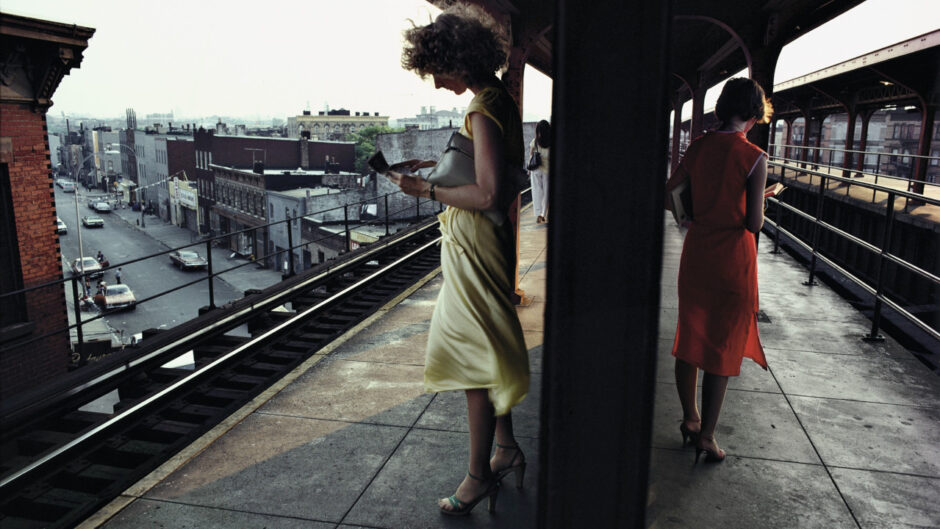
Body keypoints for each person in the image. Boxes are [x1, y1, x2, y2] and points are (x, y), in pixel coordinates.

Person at [390, 5, 529, 516]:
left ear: (454, 60)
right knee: (485, 345)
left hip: (475, 245)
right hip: (485, 244)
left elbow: (489, 193)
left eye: (434, 70)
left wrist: (424, 188)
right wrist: (442, 166)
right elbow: (492, 169)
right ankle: (506, 448)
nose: (433, 83)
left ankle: (476, 478)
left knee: (473, 356)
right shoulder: (499, 99)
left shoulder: (480, 107)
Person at [664, 78, 773, 464]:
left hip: (698, 253)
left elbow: (669, 194)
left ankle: (690, 418)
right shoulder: (755, 158)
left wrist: (693, 213)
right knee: (721, 344)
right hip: (732, 259)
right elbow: (753, 223)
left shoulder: (698, 147)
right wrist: (762, 197)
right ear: (754, 113)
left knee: (690, 334)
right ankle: (707, 436)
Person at [528, 120, 551, 223]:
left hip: (536, 170)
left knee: (537, 192)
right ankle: (543, 214)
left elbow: (530, 155)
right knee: (546, 193)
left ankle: (538, 214)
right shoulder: (551, 142)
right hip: (547, 171)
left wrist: (529, 169)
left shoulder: (535, 141)